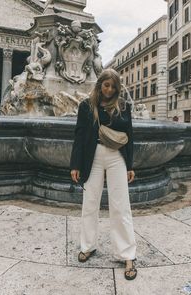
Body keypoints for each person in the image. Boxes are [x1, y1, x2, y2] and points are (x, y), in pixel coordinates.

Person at [70, 68, 137, 280]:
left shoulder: (124, 106)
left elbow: (130, 135)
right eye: (106, 85)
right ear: (99, 84)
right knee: (90, 203)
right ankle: (88, 246)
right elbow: (79, 136)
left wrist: (130, 166)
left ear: (117, 88)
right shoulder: (86, 106)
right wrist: (75, 165)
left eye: (113, 86)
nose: (109, 90)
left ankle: (126, 254)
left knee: (121, 205)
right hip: (94, 156)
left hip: (117, 156)